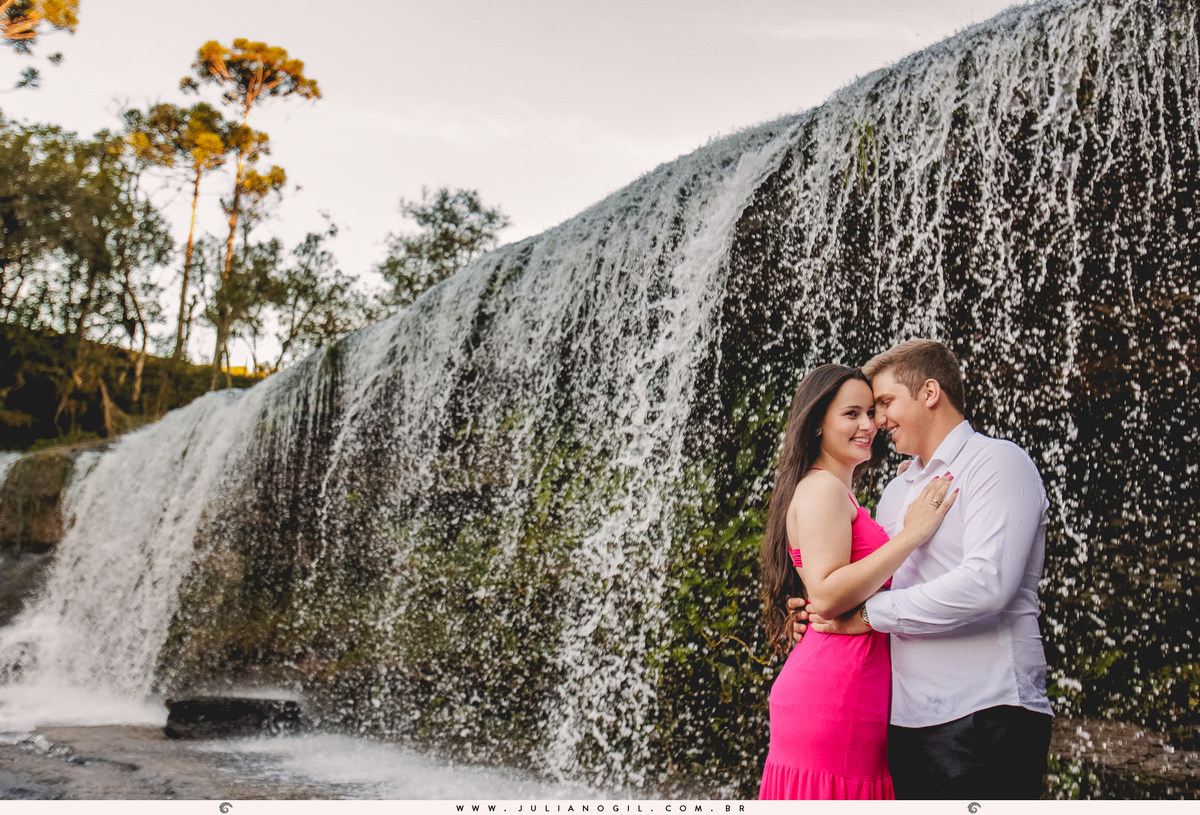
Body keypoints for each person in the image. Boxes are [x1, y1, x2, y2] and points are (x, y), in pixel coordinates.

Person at [799, 339, 1054, 799]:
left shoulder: (996, 463)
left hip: (985, 711)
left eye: (884, 403)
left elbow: (987, 584)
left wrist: (868, 615)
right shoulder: (899, 491)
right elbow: (865, 580)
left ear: (930, 392)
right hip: (903, 721)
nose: (876, 420)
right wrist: (817, 604)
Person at [758, 363, 958, 800]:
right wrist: (912, 535)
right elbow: (827, 594)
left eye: (871, 412)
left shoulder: (832, 490)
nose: (869, 424)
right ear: (816, 425)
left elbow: (822, 591)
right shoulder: (822, 489)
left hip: (846, 693)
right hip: (837, 697)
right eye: (852, 414)